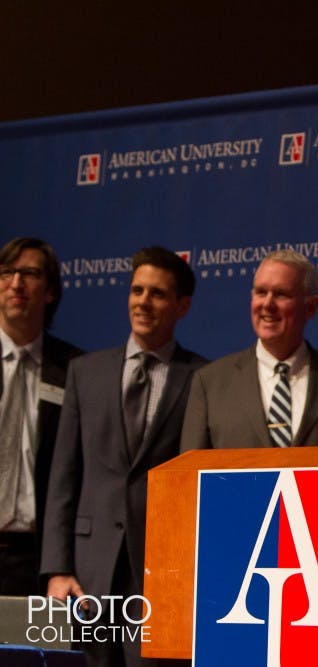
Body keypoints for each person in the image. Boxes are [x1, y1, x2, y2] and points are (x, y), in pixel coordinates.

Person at [41, 246, 204, 666]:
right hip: (86, 573)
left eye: (157, 294)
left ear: (182, 306)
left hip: (157, 575)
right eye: (137, 290)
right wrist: (57, 568)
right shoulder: (85, 371)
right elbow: (64, 476)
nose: (143, 302)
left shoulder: (202, 378)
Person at [180, 249, 318, 450]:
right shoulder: (210, 383)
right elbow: (189, 474)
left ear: (311, 307)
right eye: (261, 292)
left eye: (281, 294)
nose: (267, 304)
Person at [0, 238, 82, 595]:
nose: (16, 283)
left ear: (49, 292)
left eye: (30, 273)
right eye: (7, 272)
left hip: (37, 561)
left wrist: (60, 562)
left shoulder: (74, 370)